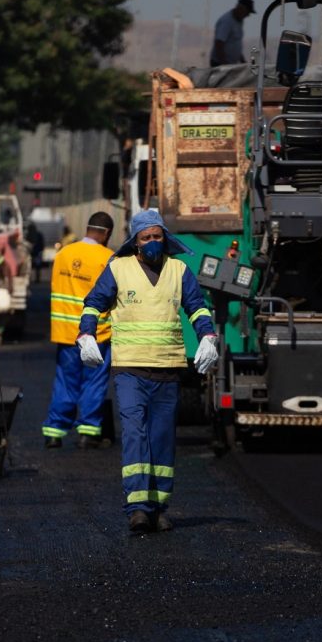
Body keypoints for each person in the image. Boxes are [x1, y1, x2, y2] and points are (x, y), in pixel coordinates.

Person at [78, 210, 218, 534]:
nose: (152, 242)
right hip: (130, 370)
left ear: (165, 238)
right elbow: (94, 303)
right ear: (135, 242)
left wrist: (207, 336)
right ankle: (138, 507)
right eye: (146, 238)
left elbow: (197, 307)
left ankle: (159, 506)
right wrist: (86, 334)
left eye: (157, 236)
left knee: (161, 438)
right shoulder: (118, 268)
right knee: (134, 433)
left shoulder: (179, 271)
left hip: (168, 369)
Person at [42, 211, 115, 450]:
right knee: (93, 382)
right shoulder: (108, 258)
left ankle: (54, 432)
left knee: (65, 381)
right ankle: (88, 432)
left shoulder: (63, 254)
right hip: (97, 333)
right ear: (107, 233)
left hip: (66, 332)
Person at [209, 0, 255, 67]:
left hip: (230, 65)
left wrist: (243, 61)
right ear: (241, 9)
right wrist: (224, 64)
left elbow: (235, 42)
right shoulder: (227, 22)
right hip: (220, 64)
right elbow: (219, 43)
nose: (248, 16)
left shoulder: (239, 22)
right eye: (247, 13)